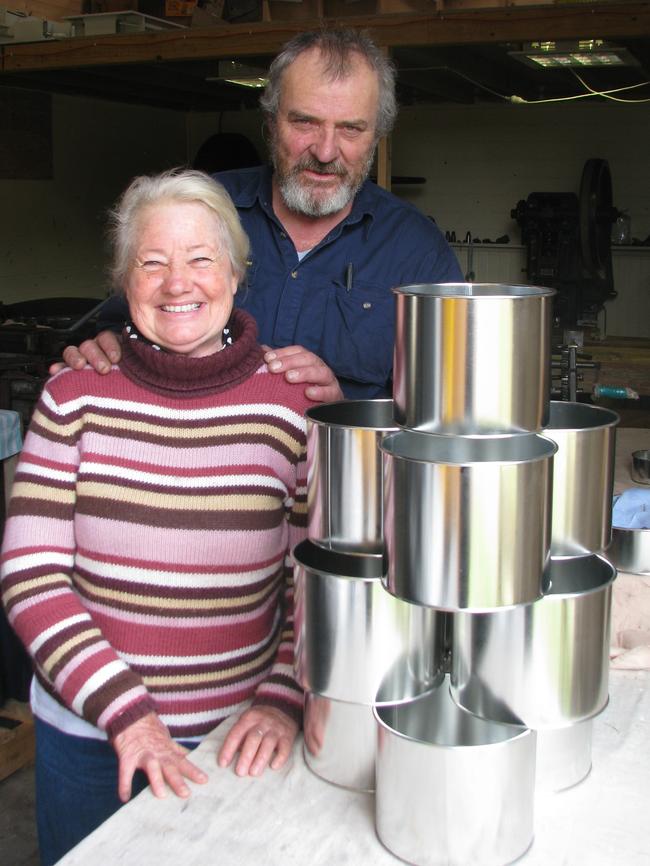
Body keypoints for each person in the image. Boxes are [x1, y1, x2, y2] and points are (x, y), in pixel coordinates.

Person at [1, 168, 314, 866]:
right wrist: (127, 713)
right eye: (152, 262)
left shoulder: (288, 407)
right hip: (87, 736)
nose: (179, 283)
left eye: (201, 259)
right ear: (124, 281)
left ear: (235, 273)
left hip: (233, 738)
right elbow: (30, 576)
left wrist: (282, 696)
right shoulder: (74, 397)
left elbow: (311, 582)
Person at [56, 28, 462, 400]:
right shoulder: (202, 209)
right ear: (271, 123)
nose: (324, 152)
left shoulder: (418, 253)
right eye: (305, 122)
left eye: (350, 129)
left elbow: (444, 412)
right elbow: (122, 321)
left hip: (334, 474)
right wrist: (109, 344)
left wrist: (346, 415)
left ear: (375, 135)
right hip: (196, 469)